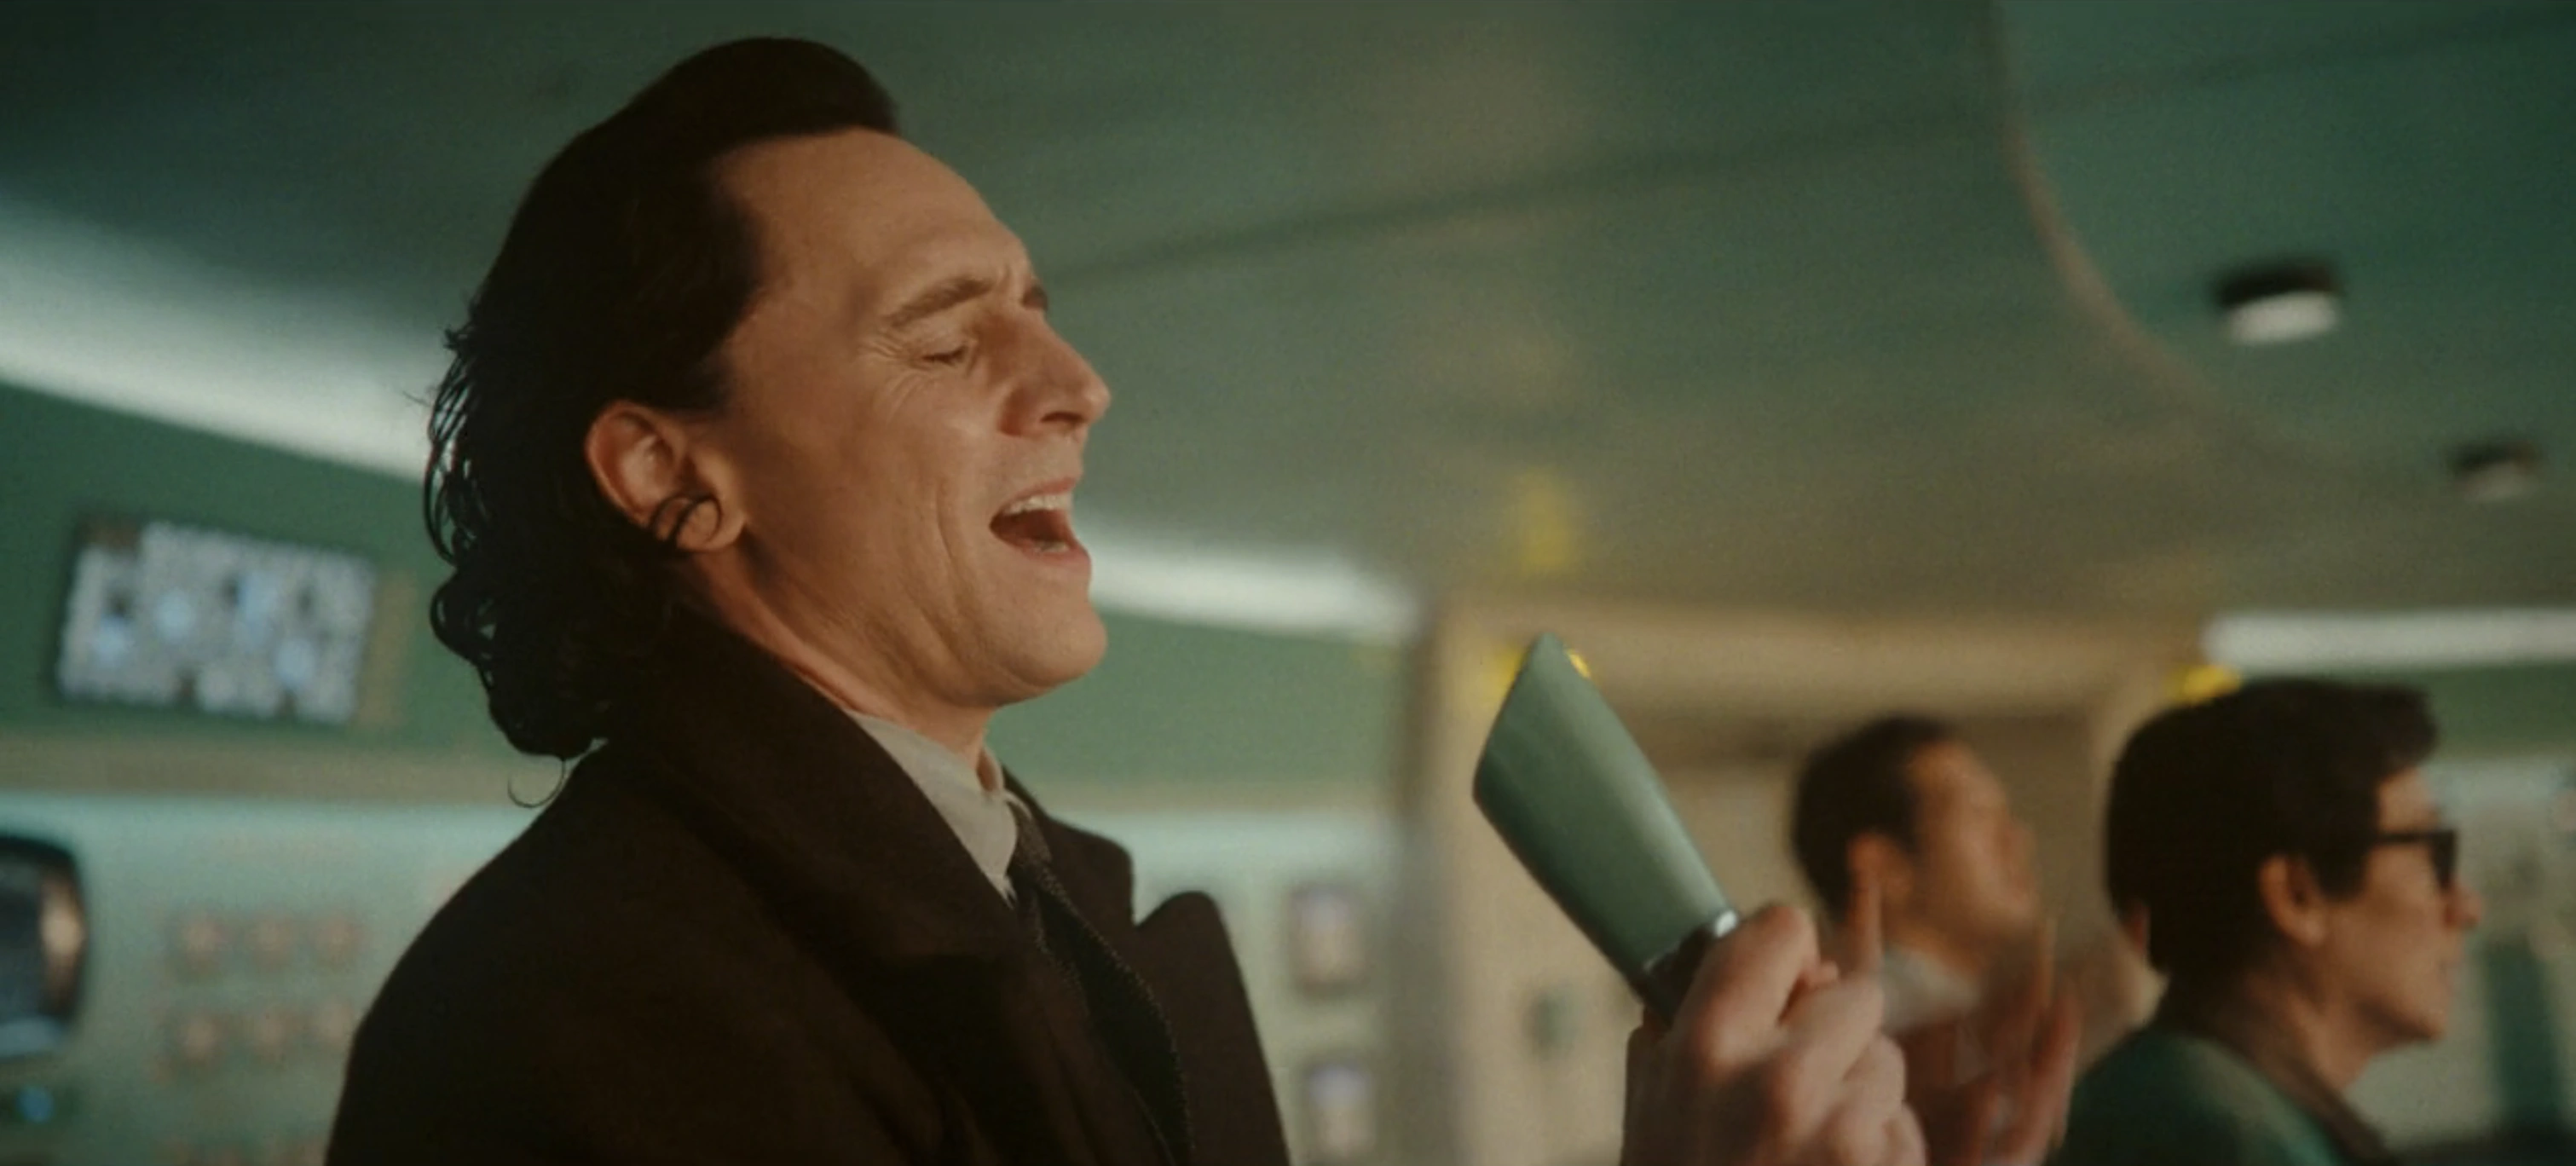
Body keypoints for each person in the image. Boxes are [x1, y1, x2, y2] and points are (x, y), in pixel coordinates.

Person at [326, 38, 1926, 1165]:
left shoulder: (1050, 903)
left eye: (1038, 311)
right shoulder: (581, 1022)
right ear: (668, 471)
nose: (1079, 384)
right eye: (947, 338)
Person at [2055, 679, 2485, 1166]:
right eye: (2433, 856)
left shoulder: (2172, 1099)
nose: (2468, 908)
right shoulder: (2229, 1141)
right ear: (2296, 896)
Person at [1790, 717, 2043, 1033]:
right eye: (1979, 815)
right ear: (1885, 866)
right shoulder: (1867, 1029)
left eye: (2004, 815)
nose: (2017, 839)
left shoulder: (1967, 1012)